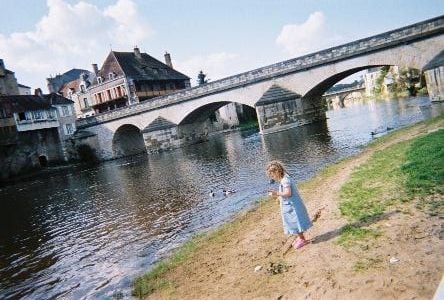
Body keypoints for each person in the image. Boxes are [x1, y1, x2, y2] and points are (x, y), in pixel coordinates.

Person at [266, 161, 312, 249]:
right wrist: (278, 197)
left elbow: (288, 193)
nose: (272, 178)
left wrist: (277, 193)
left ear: (277, 172)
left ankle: (302, 239)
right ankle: (300, 237)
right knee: (293, 222)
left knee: (296, 221)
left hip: (292, 206)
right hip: (290, 205)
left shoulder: (285, 180)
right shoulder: (285, 177)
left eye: (272, 175)